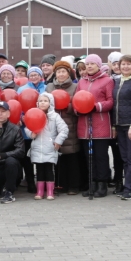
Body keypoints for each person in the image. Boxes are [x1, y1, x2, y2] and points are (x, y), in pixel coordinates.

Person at [76, 54, 114, 198]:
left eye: (93, 64)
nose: (90, 66)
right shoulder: (82, 82)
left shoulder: (107, 81)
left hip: (100, 124)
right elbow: (77, 99)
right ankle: (92, 184)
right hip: (84, 125)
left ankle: (102, 184)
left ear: (99, 65)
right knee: (88, 156)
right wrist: (78, 109)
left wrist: (96, 106)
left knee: (100, 156)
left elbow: (110, 101)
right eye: (88, 64)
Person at [110, 55, 131, 200]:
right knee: (124, 157)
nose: (125, 67)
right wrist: (113, 126)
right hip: (119, 125)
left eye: (128, 64)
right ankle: (128, 185)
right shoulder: (117, 81)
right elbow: (114, 104)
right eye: (122, 64)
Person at [25, 92, 68, 201]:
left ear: (50, 103)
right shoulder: (33, 114)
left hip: (50, 147)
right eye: (41, 101)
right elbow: (27, 127)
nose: (43, 103)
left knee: (49, 170)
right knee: (39, 170)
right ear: (37, 103)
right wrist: (31, 134)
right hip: (37, 148)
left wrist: (58, 141)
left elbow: (64, 129)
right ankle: (39, 191)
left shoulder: (54, 116)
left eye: (45, 101)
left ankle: (50, 191)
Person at [46, 60, 80, 195]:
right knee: (57, 156)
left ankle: (74, 185)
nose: (61, 74)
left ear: (69, 74)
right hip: (53, 126)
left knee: (71, 156)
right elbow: (45, 102)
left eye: (63, 72)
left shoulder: (75, 87)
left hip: (70, 124)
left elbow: (79, 104)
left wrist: (68, 106)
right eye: (58, 72)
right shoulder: (49, 87)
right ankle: (61, 184)